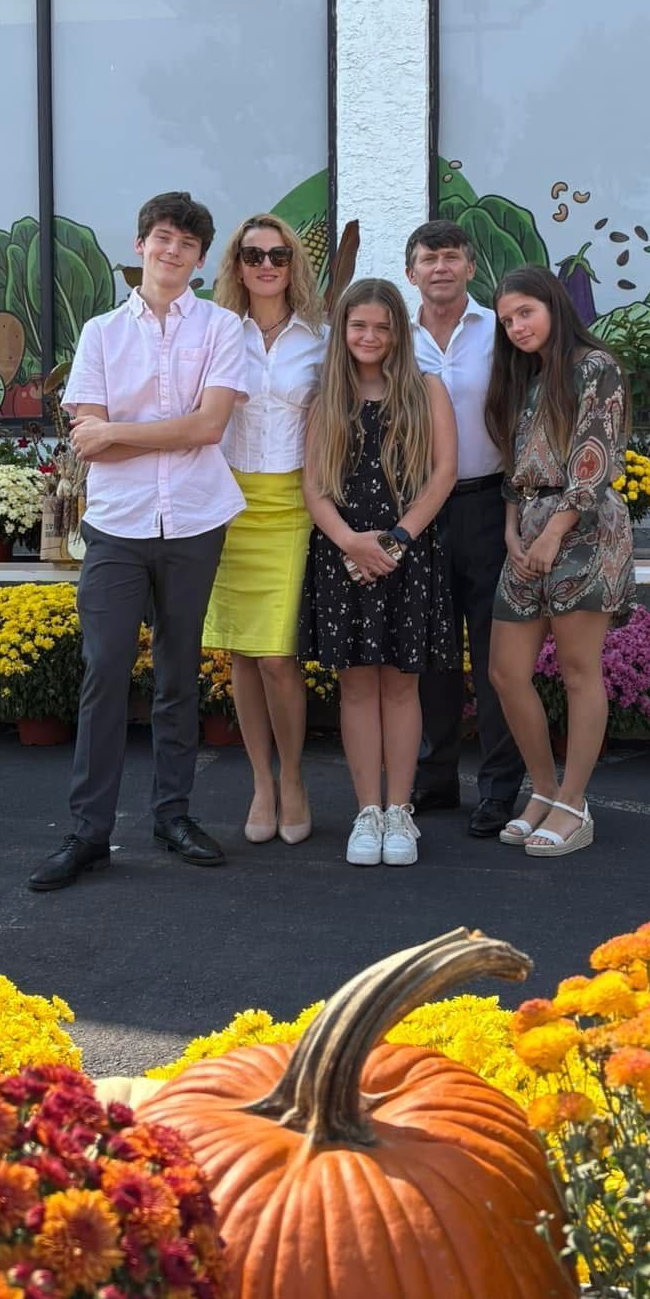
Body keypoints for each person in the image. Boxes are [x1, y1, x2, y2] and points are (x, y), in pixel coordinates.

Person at [29, 190, 247, 890]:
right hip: (118, 527)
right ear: (140, 245)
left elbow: (207, 428)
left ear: (201, 259)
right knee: (103, 673)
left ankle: (173, 816)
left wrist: (119, 431)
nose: (172, 249)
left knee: (179, 676)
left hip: (194, 520)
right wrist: (134, 435)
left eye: (186, 242)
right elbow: (88, 444)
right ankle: (89, 832)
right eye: (161, 236)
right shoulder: (100, 333)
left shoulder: (220, 327)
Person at [299, 277, 458, 867]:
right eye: (359, 325)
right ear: (343, 331)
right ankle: (367, 812)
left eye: (383, 326)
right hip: (343, 556)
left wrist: (394, 541)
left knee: (401, 683)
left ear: (399, 333)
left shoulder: (425, 390)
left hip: (407, 552)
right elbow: (314, 488)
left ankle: (400, 812)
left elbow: (443, 474)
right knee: (357, 685)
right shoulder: (326, 400)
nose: (370, 336)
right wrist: (349, 543)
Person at [485, 265, 634, 859]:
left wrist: (554, 532)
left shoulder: (595, 367)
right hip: (528, 528)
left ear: (552, 306)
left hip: (585, 529)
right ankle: (543, 790)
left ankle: (574, 801)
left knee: (578, 670)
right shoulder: (529, 377)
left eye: (525, 312)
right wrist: (514, 533)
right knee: (505, 671)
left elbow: (595, 456)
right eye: (507, 320)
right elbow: (515, 466)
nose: (517, 327)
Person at [203, 213, 327, 845]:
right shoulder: (216, 332)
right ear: (237, 265)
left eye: (278, 255)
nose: (267, 265)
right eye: (253, 256)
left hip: (293, 503)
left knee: (278, 656)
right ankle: (260, 781)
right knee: (241, 656)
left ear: (293, 263)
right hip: (227, 501)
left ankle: (295, 778)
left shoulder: (321, 336)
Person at [405, 218, 526, 837]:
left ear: (470, 269)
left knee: (494, 656)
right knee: (432, 654)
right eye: (429, 259)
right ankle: (435, 779)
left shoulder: (498, 333)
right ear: (412, 273)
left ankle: (500, 789)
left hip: (488, 504)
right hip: (419, 509)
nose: (441, 268)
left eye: (452, 258)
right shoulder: (397, 339)